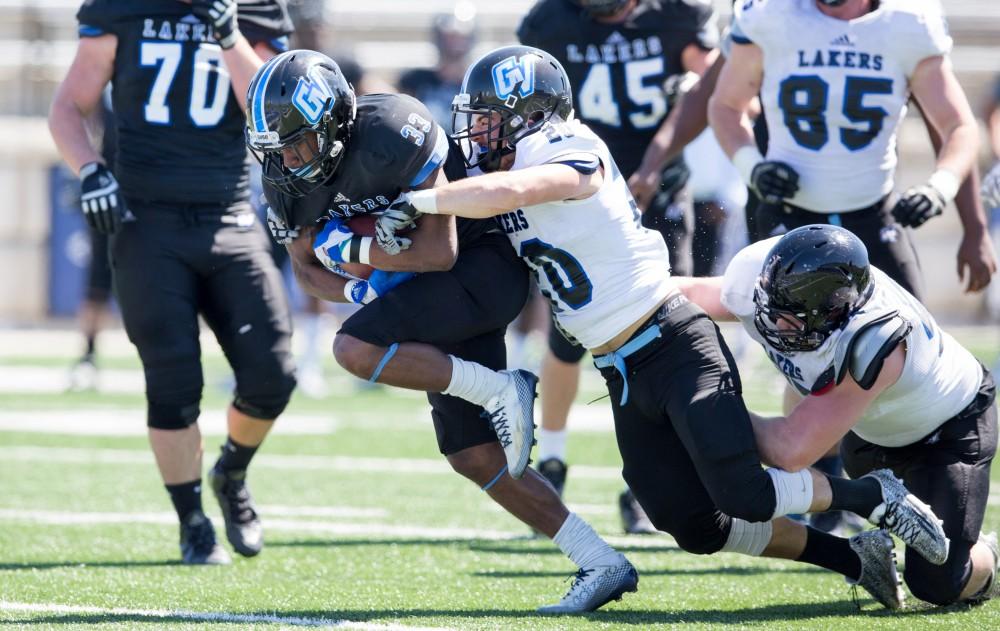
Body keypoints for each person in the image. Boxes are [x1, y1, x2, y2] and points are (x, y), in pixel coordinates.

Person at [375, 44, 954, 610]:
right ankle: (855, 559)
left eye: (489, 121)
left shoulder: (570, 149)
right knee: (692, 523)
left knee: (746, 495)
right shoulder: (498, 172)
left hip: (675, 342)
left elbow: (522, 188)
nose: (477, 134)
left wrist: (430, 200)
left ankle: (872, 494)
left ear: (532, 117)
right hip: (621, 369)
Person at [247, 50, 639, 614]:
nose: (287, 159)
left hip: (481, 265)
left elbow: (437, 251)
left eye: (297, 141)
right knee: (473, 455)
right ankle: (602, 560)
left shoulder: (391, 130)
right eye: (277, 147)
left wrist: (355, 250)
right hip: (421, 288)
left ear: (333, 123)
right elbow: (309, 272)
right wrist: (364, 283)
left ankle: (502, 389)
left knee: (353, 347)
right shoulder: (285, 175)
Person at [49, 0, 298, 565]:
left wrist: (228, 31)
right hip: (146, 218)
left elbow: (268, 112)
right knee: (173, 378)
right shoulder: (122, 8)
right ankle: (192, 522)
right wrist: (90, 166)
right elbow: (69, 106)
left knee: (273, 374)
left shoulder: (254, 9)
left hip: (228, 214)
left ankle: (231, 473)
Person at [675, 224, 1000, 605]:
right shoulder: (761, 275)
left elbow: (790, 450)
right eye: (772, 307)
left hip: (947, 431)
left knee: (939, 583)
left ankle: (990, 555)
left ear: (835, 311)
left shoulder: (876, 341)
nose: (776, 325)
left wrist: (698, 407)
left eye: (793, 318)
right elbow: (687, 298)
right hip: (869, 432)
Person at [516, 0, 719, 534]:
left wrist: (654, 160)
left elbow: (715, 82)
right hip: (581, 194)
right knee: (568, 329)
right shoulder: (551, 22)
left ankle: (648, 484)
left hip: (660, 187)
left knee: (664, 331)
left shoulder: (676, 15)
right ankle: (553, 460)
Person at [709, 0, 992, 302]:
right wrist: (752, 167)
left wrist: (939, 188)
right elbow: (725, 106)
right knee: (795, 339)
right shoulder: (770, 15)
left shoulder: (908, 23)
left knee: (910, 337)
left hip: (874, 214)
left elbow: (959, 126)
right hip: (789, 213)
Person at [398, 10, 478, 130]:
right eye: (450, 37)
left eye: (460, 37)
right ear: (439, 38)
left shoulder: (477, 83)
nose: (455, 43)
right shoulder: (414, 80)